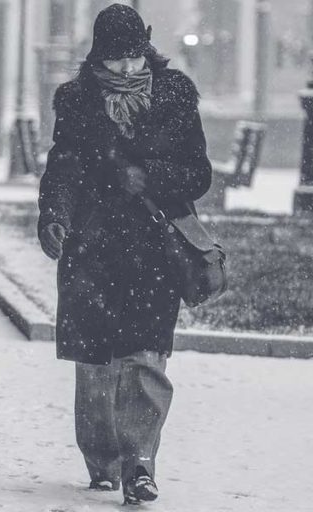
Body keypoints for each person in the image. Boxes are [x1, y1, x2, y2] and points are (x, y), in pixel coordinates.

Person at [36, 4, 212, 506]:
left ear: (147, 47)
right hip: (92, 247)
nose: (127, 70)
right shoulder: (76, 101)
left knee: (144, 358)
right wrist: (54, 217)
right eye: (115, 60)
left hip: (154, 248)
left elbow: (198, 173)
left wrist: (149, 176)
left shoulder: (176, 95)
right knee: (94, 363)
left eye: (134, 57)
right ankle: (102, 459)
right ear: (98, 55)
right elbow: (63, 167)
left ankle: (139, 463)